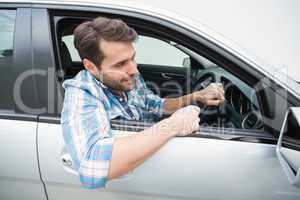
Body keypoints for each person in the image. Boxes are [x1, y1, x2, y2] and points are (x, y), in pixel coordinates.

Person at [61, 17, 225, 189]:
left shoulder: (128, 77)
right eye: (121, 64)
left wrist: (196, 96)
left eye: (133, 58)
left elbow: (153, 103)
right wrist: (173, 125)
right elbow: (91, 167)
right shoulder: (82, 92)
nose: (134, 70)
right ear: (91, 67)